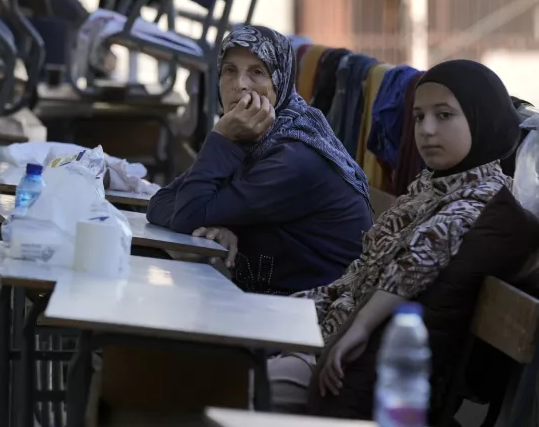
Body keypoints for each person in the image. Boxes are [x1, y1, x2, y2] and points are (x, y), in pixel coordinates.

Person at [268, 59, 521, 413]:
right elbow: (359, 274)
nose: (427, 130)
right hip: (325, 322)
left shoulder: (482, 199)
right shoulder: (430, 183)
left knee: (230, 382)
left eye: (444, 115)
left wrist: (358, 328)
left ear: (483, 118)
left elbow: (420, 256)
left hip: (350, 359)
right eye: (419, 117)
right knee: (217, 347)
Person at [146, 25, 371, 294]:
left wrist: (220, 138)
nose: (239, 84)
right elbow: (160, 203)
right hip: (268, 302)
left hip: (315, 314)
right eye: (229, 70)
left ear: (280, 82)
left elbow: (188, 214)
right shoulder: (252, 136)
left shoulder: (294, 156)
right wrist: (219, 223)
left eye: (257, 72)